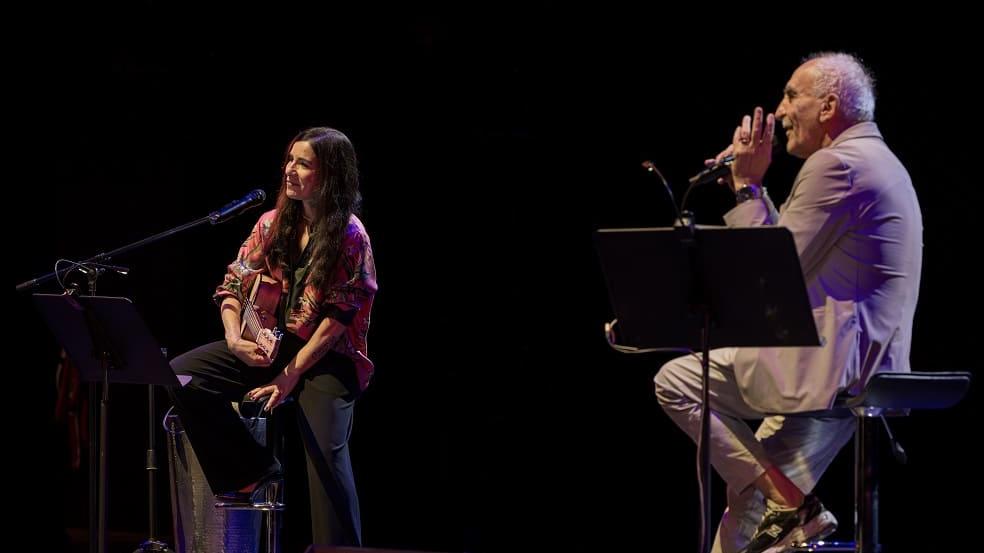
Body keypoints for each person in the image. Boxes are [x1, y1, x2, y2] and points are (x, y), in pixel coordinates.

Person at [654, 52, 922, 553]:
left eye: (790, 95)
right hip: (832, 363)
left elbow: (769, 275)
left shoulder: (837, 163)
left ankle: (791, 504)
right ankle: (786, 498)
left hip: (828, 375)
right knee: (682, 387)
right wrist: (750, 191)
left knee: (678, 385)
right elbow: (791, 252)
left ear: (829, 105)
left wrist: (746, 187)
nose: (778, 111)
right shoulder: (872, 160)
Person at [169, 126, 377, 546]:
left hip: (328, 355)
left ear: (330, 174)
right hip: (271, 346)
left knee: (325, 454)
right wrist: (233, 338)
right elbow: (232, 284)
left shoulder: (350, 235)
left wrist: (290, 376)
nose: (290, 170)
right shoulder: (272, 223)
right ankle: (250, 470)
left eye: (304, 163)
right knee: (180, 374)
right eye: (289, 160)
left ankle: (338, 549)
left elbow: (338, 317)